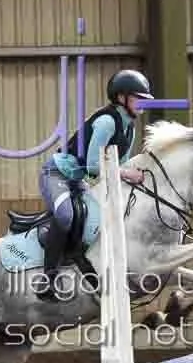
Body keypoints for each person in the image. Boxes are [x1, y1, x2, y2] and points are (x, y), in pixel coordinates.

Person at [35, 69, 153, 300]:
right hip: (57, 174)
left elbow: (121, 163)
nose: (142, 104)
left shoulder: (129, 127)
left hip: (78, 180)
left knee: (95, 220)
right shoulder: (107, 122)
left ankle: (81, 262)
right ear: (121, 98)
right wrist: (127, 174)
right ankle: (47, 279)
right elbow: (93, 166)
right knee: (66, 216)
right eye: (138, 98)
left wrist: (136, 175)